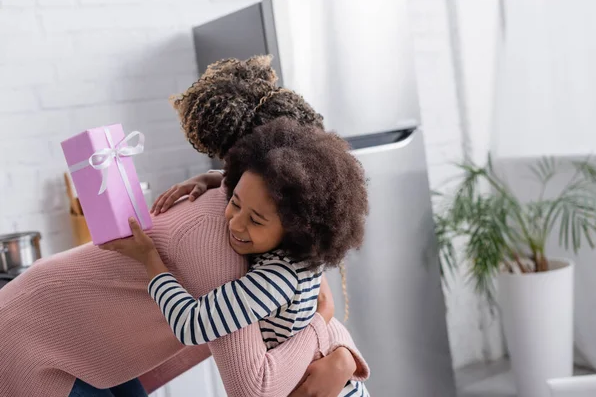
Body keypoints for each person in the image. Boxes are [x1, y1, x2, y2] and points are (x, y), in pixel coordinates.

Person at [0, 56, 369, 397]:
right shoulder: (220, 237)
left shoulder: (273, 236)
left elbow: (306, 303)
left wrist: (342, 352)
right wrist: (327, 331)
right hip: (31, 331)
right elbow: (253, 385)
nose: (239, 219)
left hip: (87, 334)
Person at [102, 118, 370, 396]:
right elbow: (260, 191)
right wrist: (216, 178)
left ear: (295, 227)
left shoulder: (275, 280)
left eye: (255, 220)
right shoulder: (302, 254)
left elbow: (190, 324)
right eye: (235, 202)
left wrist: (149, 258)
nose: (236, 223)